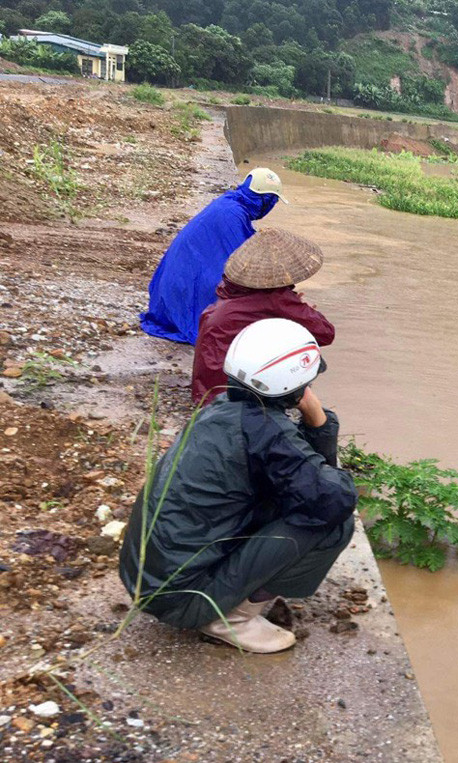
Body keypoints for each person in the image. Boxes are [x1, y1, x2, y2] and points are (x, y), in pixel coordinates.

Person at [118, 318, 356, 653]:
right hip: (181, 598)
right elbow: (333, 500)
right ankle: (231, 618)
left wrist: (317, 425)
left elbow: (300, 475)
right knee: (335, 523)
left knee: (297, 497)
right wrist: (319, 420)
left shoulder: (222, 409)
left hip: (149, 581)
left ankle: (227, 598)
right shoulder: (265, 430)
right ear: (296, 385)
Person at [140, 168, 287, 345]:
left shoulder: (228, 203)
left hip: (169, 292)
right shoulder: (233, 215)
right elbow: (241, 265)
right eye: (274, 202)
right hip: (180, 295)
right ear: (266, 200)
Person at [191, 229, 334, 406]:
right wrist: (302, 308)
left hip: (205, 389)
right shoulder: (276, 297)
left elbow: (255, 311)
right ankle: (303, 405)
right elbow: (326, 333)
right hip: (230, 396)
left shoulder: (230, 290)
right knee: (312, 356)